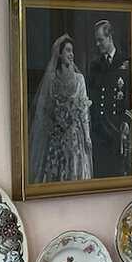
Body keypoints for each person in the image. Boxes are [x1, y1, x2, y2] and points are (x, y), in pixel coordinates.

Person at [29, 36, 92, 183]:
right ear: (60, 53)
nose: (71, 54)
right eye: (68, 51)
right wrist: (55, 124)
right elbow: (45, 109)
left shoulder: (79, 79)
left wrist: (87, 136)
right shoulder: (51, 79)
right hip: (56, 137)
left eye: (72, 51)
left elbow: (83, 112)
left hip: (75, 138)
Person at [87, 18, 132, 177]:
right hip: (99, 130)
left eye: (100, 40)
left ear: (110, 37)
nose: (98, 44)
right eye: (96, 41)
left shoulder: (126, 62)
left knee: (117, 173)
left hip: (117, 128)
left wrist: (127, 121)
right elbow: (90, 96)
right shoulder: (95, 65)